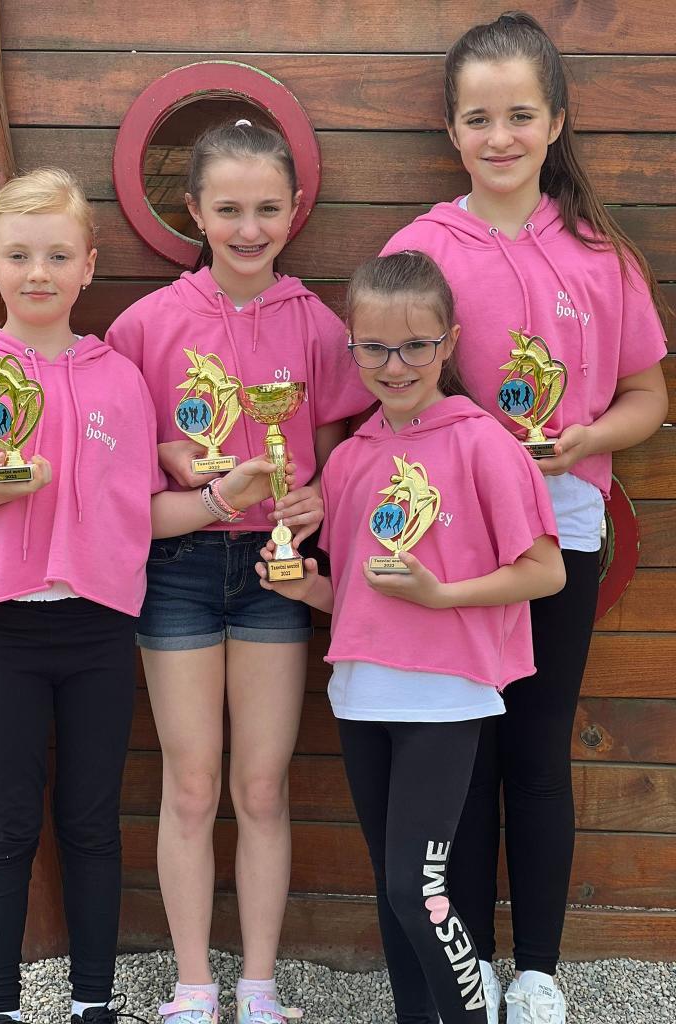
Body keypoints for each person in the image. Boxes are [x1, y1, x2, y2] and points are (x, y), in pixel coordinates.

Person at [0, 168, 281, 1024]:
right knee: (6, 821)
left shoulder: (121, 380)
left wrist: (223, 498)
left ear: (88, 266)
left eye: (57, 256)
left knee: (90, 821)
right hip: (4, 631)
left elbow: (142, 514)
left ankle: (92, 1003)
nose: (38, 273)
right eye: (19, 256)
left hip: (102, 631)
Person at [380, 12, 669, 1024]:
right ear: (450, 130)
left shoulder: (600, 255)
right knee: (460, 757)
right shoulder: (420, 248)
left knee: (539, 749)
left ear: (556, 121)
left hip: (561, 533)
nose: (498, 136)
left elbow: (647, 395)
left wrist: (582, 440)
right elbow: (386, 388)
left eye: (518, 115)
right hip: (450, 548)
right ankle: (466, 967)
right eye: (477, 118)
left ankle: (537, 970)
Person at [105, 120, 372, 1024]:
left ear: (295, 210)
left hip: (276, 571)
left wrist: (319, 500)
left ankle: (258, 987)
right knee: (189, 783)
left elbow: (338, 450)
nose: (249, 228)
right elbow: (118, 454)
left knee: (261, 785)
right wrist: (167, 452)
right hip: (177, 565)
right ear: (194, 212)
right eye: (229, 209)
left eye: (266, 209)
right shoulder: (146, 325)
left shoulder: (319, 324)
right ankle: (193, 987)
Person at [256, 250, 566, 1024]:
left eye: (415, 346)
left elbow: (545, 571)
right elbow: (358, 597)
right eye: (374, 348)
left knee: (416, 889)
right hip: (361, 694)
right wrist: (301, 586)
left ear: (449, 341)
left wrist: (443, 596)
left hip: (445, 697)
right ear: (351, 346)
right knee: (393, 892)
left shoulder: (485, 444)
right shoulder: (349, 460)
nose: (394, 366)